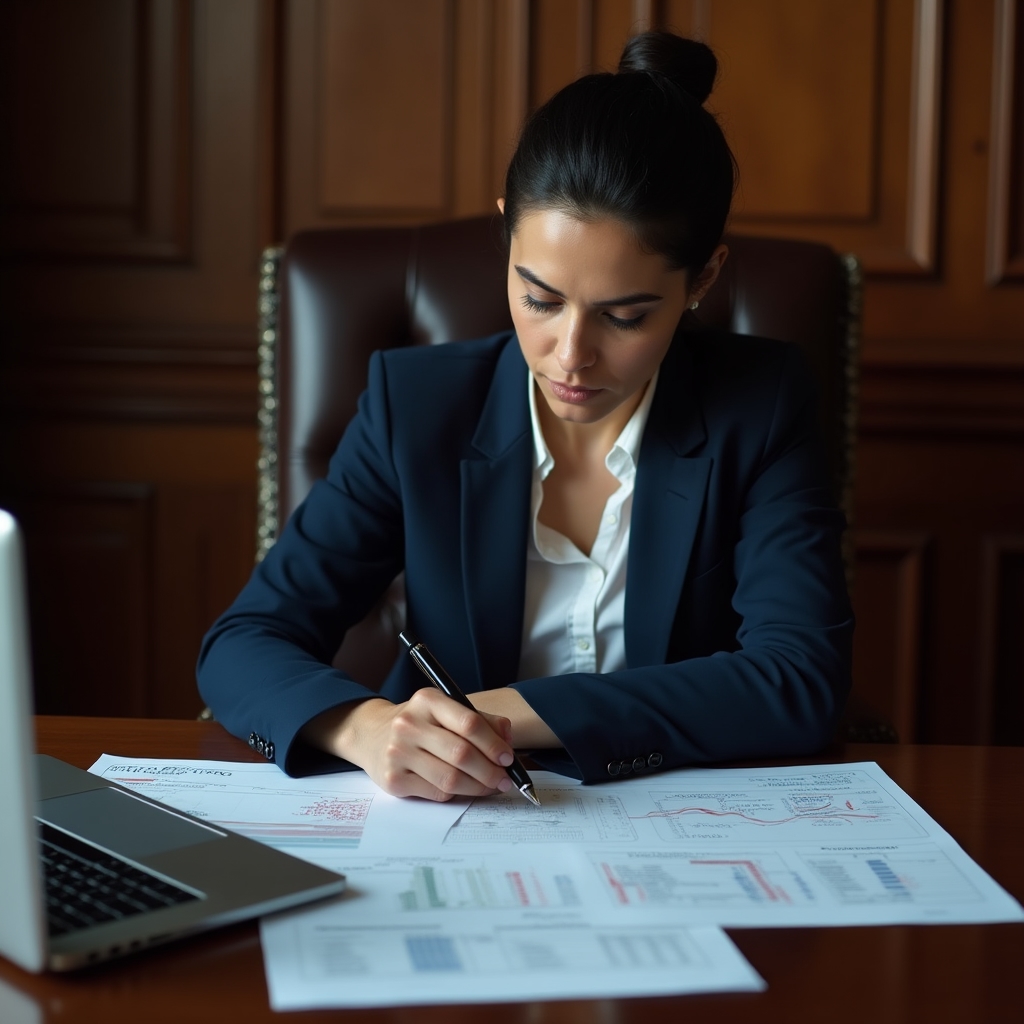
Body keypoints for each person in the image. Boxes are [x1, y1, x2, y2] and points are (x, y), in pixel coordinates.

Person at [198, 31, 853, 800]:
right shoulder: (417, 407)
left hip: (672, 826)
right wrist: (365, 727)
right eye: (540, 299)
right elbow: (243, 643)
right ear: (506, 230)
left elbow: (800, 679)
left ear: (703, 277)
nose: (570, 354)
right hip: (445, 827)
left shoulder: (762, 405)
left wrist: (498, 715)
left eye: (626, 316)